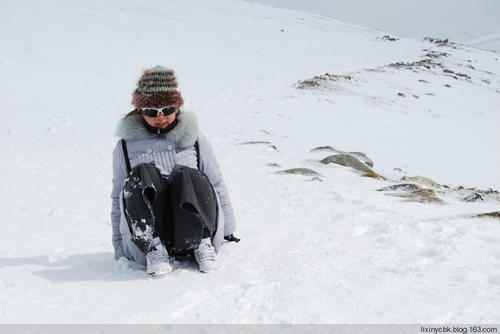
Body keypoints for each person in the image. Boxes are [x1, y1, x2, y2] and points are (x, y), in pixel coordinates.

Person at [110, 66, 238, 275]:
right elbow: (118, 195)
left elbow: (216, 182)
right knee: (142, 174)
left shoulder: (194, 139)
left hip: (191, 228)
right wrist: (118, 243)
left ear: (177, 107)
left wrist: (228, 230)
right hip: (151, 233)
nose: (161, 117)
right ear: (141, 111)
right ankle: (153, 246)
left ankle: (200, 244)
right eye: (152, 112)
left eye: (167, 109)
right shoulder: (126, 146)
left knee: (188, 175)